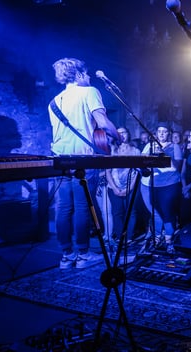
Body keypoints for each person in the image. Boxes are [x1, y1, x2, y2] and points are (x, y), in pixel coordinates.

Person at [48, 57, 119, 269]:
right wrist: (119, 137)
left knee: (63, 208)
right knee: (82, 207)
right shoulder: (89, 92)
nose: (88, 77)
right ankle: (83, 255)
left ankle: (66, 256)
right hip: (82, 159)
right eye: (86, 73)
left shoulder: (53, 101)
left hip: (60, 160)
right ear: (78, 74)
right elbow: (103, 123)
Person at [140, 123, 183, 254]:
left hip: (169, 184)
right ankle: (157, 239)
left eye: (165, 131)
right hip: (150, 184)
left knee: (167, 213)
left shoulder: (174, 146)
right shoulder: (149, 146)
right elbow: (141, 163)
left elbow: (177, 167)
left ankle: (169, 242)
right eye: (159, 131)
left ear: (169, 133)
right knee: (155, 212)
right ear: (156, 133)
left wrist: (164, 154)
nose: (162, 134)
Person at [105, 127, 141, 243]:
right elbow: (107, 172)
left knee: (131, 212)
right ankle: (120, 238)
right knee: (117, 212)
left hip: (131, 186)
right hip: (114, 186)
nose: (121, 135)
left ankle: (129, 237)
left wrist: (130, 188)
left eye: (124, 132)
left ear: (128, 134)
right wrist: (115, 188)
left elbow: (137, 172)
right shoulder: (111, 151)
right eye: (119, 133)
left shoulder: (135, 151)